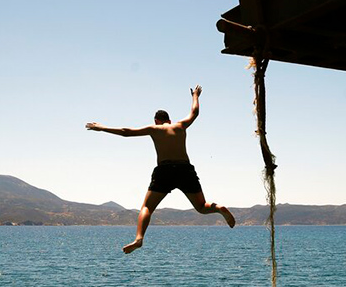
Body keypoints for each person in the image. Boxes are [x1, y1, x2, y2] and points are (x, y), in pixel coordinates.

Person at [86, 85, 236, 253]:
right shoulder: (180, 126)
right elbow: (195, 112)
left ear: (156, 121)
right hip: (185, 169)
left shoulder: (154, 129)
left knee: (147, 208)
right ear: (169, 121)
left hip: (164, 171)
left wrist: (102, 127)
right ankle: (219, 208)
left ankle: (139, 238)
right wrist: (195, 96)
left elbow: (126, 132)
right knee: (201, 207)